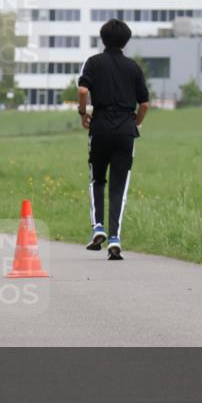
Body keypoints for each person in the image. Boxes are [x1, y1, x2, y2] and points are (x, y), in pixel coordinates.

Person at [77, 19, 150, 260]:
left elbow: (83, 91)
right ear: (126, 41)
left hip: (99, 128)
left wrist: (82, 112)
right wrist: (135, 123)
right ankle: (115, 239)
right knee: (119, 185)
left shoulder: (94, 63)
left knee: (97, 179)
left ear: (102, 39)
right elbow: (145, 104)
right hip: (125, 131)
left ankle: (98, 226)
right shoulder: (133, 68)